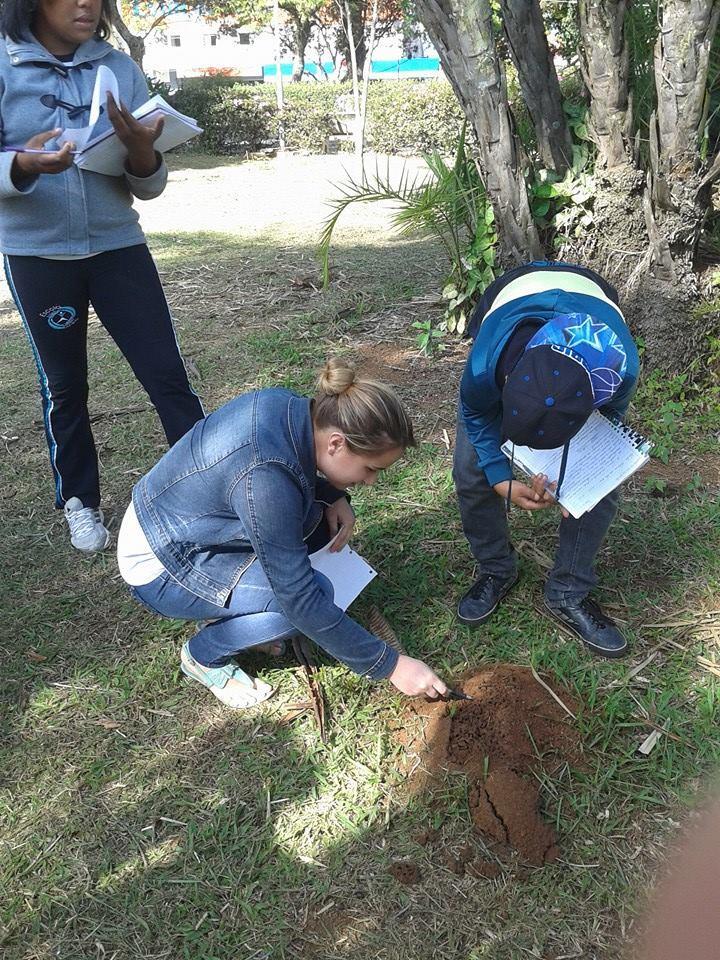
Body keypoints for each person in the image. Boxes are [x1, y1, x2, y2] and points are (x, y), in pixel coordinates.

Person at [118, 359, 449, 709]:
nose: (371, 481)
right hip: (164, 566)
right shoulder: (266, 479)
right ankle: (203, 655)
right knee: (308, 598)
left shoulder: (296, 409)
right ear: (336, 443)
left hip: (185, 526)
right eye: (370, 468)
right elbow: (299, 598)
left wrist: (332, 494)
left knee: (318, 526)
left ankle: (240, 607)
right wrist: (392, 665)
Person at [0, 0, 204, 554]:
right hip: (37, 256)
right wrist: (20, 165)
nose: (87, 4)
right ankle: (80, 503)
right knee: (63, 387)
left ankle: (209, 488)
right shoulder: (4, 61)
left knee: (167, 375)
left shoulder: (118, 67)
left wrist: (143, 155)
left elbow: (149, 184)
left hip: (119, 249)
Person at [453, 261, 640, 658]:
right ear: (506, 381)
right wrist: (499, 477)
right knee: (471, 471)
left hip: (591, 300)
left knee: (598, 492)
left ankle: (568, 592)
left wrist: (578, 482)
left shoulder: (618, 369)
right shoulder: (487, 361)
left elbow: (606, 427)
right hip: (512, 294)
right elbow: (475, 414)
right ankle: (496, 569)